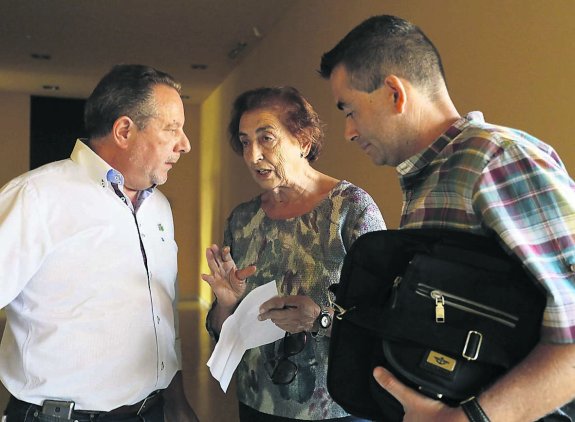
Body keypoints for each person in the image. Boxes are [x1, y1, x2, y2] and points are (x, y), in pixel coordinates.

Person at [319, 14, 575, 422]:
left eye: (349, 109)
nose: (348, 131)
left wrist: (467, 419)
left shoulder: (497, 161)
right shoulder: (432, 179)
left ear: (393, 93)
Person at [0, 64, 199, 422]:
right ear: (124, 130)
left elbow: (160, 313)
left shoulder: (159, 208)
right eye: (172, 128)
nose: (185, 144)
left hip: (151, 413)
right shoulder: (35, 198)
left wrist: (177, 400)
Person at [201, 86, 386, 421]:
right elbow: (220, 330)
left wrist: (320, 318)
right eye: (244, 142)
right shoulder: (242, 220)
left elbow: (385, 314)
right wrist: (227, 303)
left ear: (303, 141)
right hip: (257, 402)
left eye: (266, 138)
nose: (253, 155)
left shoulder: (351, 209)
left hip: (337, 407)